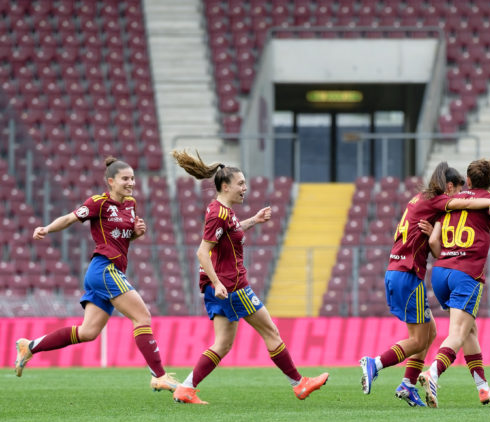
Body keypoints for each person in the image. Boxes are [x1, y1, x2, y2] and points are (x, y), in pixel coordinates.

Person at [170, 149, 329, 404]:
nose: (246, 188)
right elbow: (202, 252)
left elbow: (230, 231)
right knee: (271, 333)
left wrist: (253, 220)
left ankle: (186, 388)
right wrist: (218, 283)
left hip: (224, 286)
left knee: (222, 344)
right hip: (233, 286)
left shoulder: (223, 211)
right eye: (241, 183)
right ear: (225, 186)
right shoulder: (219, 213)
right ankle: (299, 384)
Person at [14, 157, 180, 392]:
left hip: (109, 271)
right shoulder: (98, 202)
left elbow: (121, 238)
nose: (130, 182)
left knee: (88, 332)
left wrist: (136, 234)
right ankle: (159, 376)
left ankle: (29, 346)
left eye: (132, 178)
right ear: (111, 181)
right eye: (125, 179)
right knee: (142, 317)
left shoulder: (131, 203)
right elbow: (71, 218)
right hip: (104, 268)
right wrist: (47, 228)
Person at [359, 162, 490, 407]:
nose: (456, 197)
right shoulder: (438, 201)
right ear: (450, 186)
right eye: (455, 190)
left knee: (432, 331)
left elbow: (433, 238)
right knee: (421, 339)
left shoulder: (417, 199)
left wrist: (433, 230)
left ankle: (410, 386)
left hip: (400, 271)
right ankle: (376, 364)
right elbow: (464, 204)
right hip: (409, 273)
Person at [418, 158, 490, 408]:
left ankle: (483, 388)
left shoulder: (453, 201)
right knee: (458, 333)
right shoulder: (489, 200)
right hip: (466, 273)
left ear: (468, 180)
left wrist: (449, 257)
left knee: (469, 330)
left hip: (441, 273)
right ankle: (432, 374)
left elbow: (433, 242)